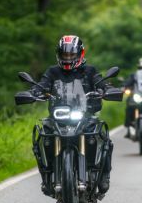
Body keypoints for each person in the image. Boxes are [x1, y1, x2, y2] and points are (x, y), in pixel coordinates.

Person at [31, 35, 114, 194]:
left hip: (85, 115)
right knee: (43, 138)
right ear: (59, 54)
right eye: (65, 55)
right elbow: (42, 85)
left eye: (71, 55)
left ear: (80, 54)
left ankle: (104, 176)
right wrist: (34, 92)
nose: (68, 58)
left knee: (104, 140)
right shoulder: (53, 72)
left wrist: (106, 90)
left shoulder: (90, 71)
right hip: (57, 117)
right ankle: (47, 176)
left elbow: (101, 83)